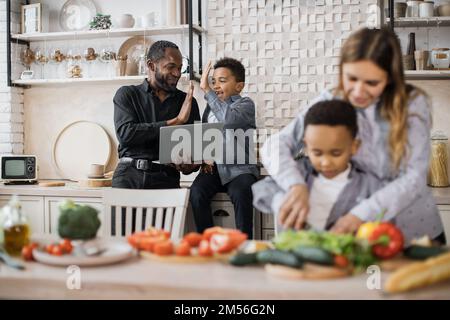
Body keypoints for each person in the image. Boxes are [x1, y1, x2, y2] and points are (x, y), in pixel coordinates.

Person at [260, 27, 444, 244]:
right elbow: (275, 145)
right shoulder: (331, 98)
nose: (357, 91)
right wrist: (295, 185)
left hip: (413, 230)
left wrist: (360, 215)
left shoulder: (412, 104)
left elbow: (414, 178)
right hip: (359, 232)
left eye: (371, 83)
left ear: (390, 78)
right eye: (351, 78)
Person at [253, 100, 382, 233]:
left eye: (336, 153)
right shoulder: (299, 172)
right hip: (292, 251)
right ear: (307, 145)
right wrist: (279, 201)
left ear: (354, 147)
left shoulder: (368, 185)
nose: (325, 162)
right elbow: (262, 189)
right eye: (317, 153)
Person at [112, 40, 200, 189]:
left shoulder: (188, 102)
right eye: (171, 67)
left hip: (167, 179)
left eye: (180, 68)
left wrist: (190, 165)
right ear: (151, 65)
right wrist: (176, 121)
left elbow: (195, 153)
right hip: (129, 176)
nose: (177, 73)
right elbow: (126, 135)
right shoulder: (127, 94)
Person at [189, 58, 259, 238]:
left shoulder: (245, 105)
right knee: (196, 193)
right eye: (213, 81)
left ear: (239, 86)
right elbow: (206, 136)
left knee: (241, 192)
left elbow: (228, 121)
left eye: (222, 80)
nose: (215, 86)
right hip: (213, 168)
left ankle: (244, 244)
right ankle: (209, 241)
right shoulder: (210, 108)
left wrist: (206, 90)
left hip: (239, 169)